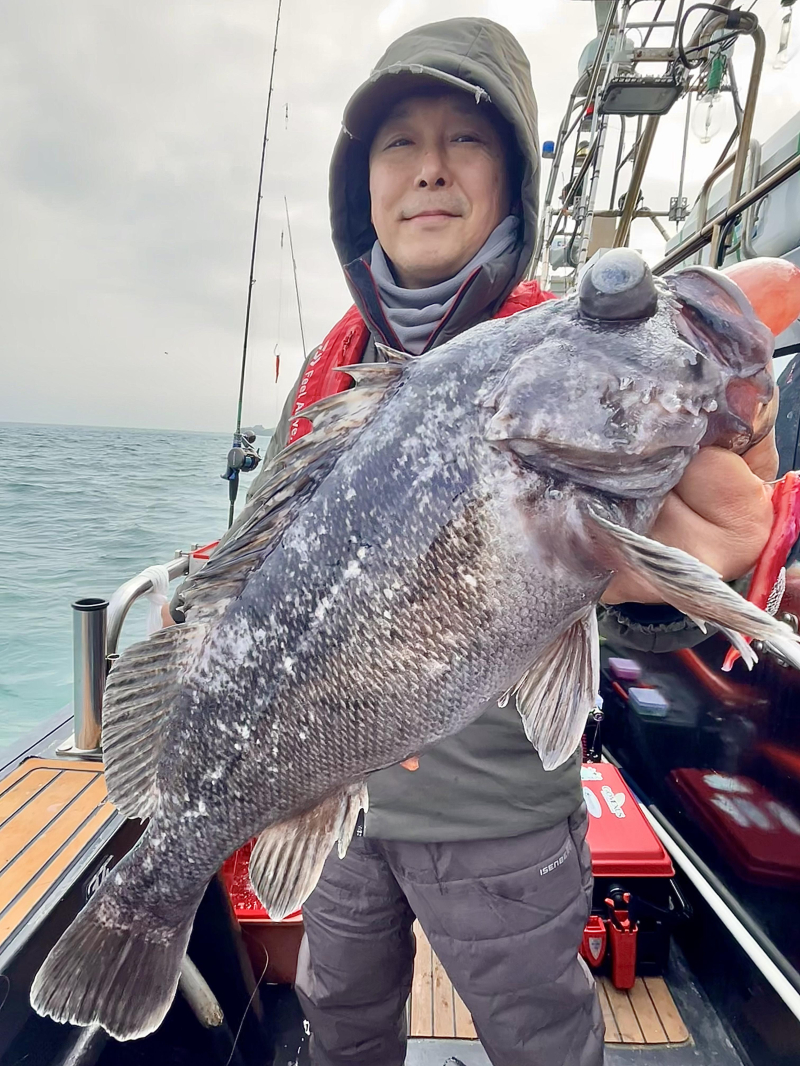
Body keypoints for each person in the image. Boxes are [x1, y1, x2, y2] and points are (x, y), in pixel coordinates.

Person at [171, 17, 777, 1066]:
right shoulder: (330, 372)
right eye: (397, 142)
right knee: (339, 1021)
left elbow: (635, 592)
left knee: (538, 1030)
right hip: (336, 804)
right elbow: (260, 565)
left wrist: (659, 589)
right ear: (358, 184)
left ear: (511, 180)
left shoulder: (572, 345)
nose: (430, 170)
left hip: (500, 813)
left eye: (467, 139)